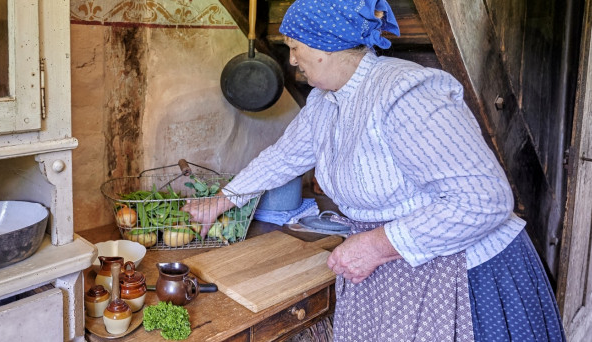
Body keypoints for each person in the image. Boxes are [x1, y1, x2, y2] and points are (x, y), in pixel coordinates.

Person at [182, 0, 566, 340]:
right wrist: (225, 198)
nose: (292, 59)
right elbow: (284, 157)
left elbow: (484, 200)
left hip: (468, 278)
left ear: (325, 44)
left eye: (294, 48)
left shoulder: (404, 93)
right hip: (395, 269)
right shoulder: (324, 101)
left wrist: (376, 245)